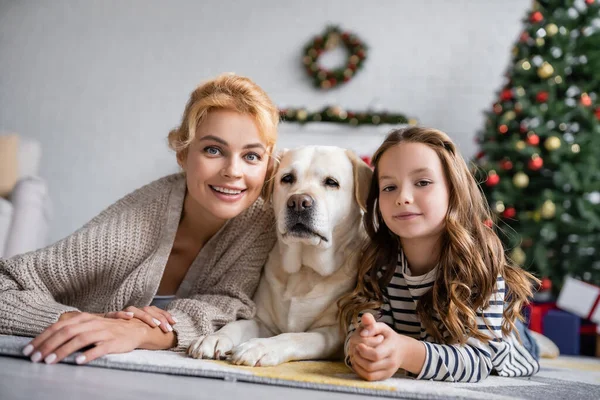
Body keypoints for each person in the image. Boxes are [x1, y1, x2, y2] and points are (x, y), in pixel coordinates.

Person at [0, 73, 280, 366]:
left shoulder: (262, 222)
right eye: (213, 150)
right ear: (183, 154)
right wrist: (81, 321)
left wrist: (140, 331)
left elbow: (227, 308)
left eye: (251, 156)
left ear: (268, 163)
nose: (233, 171)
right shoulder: (135, 223)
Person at [338, 127, 541, 382]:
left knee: (518, 337)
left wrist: (405, 352)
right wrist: (361, 347)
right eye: (389, 187)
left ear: (453, 190)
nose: (403, 197)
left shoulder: (478, 262)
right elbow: (359, 332)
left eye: (422, 183)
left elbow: (477, 361)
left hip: (505, 348)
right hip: (428, 337)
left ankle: (525, 333)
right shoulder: (377, 263)